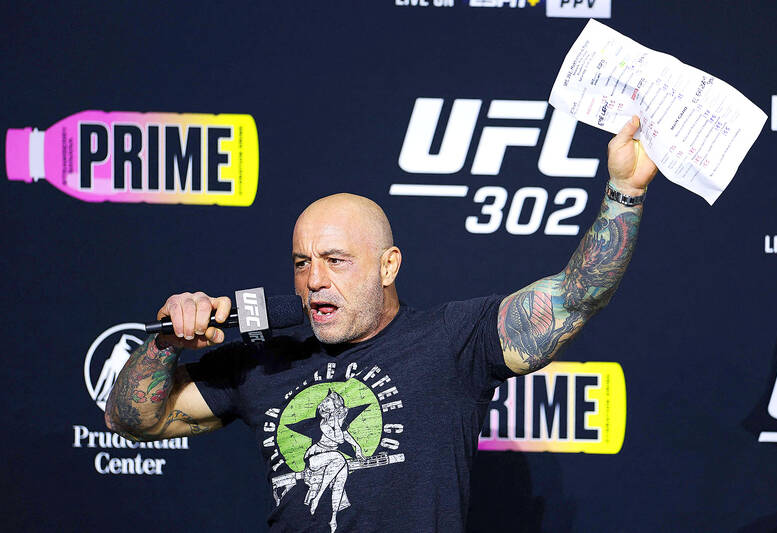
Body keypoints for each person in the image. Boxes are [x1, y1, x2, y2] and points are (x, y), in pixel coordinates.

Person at [105, 116, 658, 532]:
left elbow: (577, 295)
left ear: (388, 266)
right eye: (302, 263)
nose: (315, 280)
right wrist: (165, 344)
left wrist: (624, 192)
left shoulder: (452, 342)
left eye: (336, 260)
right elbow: (132, 421)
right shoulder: (264, 357)